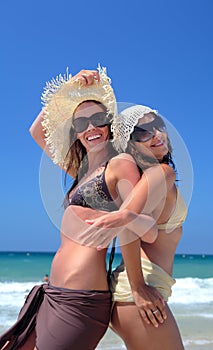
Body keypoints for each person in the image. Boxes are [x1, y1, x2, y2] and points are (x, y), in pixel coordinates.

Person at [0, 68, 163, 350]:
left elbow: (133, 226)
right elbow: (37, 130)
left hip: (80, 300)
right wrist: (70, 87)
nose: (91, 128)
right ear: (74, 132)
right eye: (81, 123)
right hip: (52, 294)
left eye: (99, 119)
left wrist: (137, 286)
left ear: (110, 125)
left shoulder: (120, 164)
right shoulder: (81, 172)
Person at [68, 102, 188, 349]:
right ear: (130, 143)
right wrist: (139, 287)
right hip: (140, 294)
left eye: (158, 125)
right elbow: (126, 221)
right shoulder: (162, 173)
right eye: (143, 131)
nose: (157, 134)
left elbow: (129, 220)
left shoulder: (144, 177)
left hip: (132, 294)